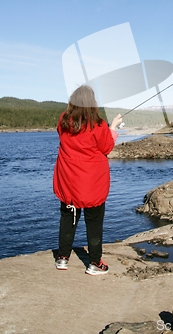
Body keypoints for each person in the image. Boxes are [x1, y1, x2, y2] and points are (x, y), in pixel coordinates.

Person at [53, 84, 122, 275]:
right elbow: (107, 147)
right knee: (93, 222)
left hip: (68, 181)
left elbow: (68, 137)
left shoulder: (63, 121)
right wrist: (113, 128)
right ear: (92, 103)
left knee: (68, 217)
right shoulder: (98, 125)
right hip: (92, 184)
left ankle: (62, 258)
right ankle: (94, 263)